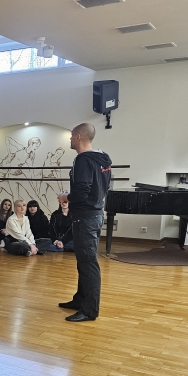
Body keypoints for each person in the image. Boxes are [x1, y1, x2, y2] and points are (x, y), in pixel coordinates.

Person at [58, 122, 112, 322]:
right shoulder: (102, 159)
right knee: (84, 261)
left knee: (88, 263)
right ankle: (80, 300)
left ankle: (89, 310)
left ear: (78, 137)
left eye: (71, 136)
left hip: (86, 217)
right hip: (94, 214)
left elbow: (82, 191)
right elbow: (102, 187)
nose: (70, 139)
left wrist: (66, 197)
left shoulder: (83, 160)